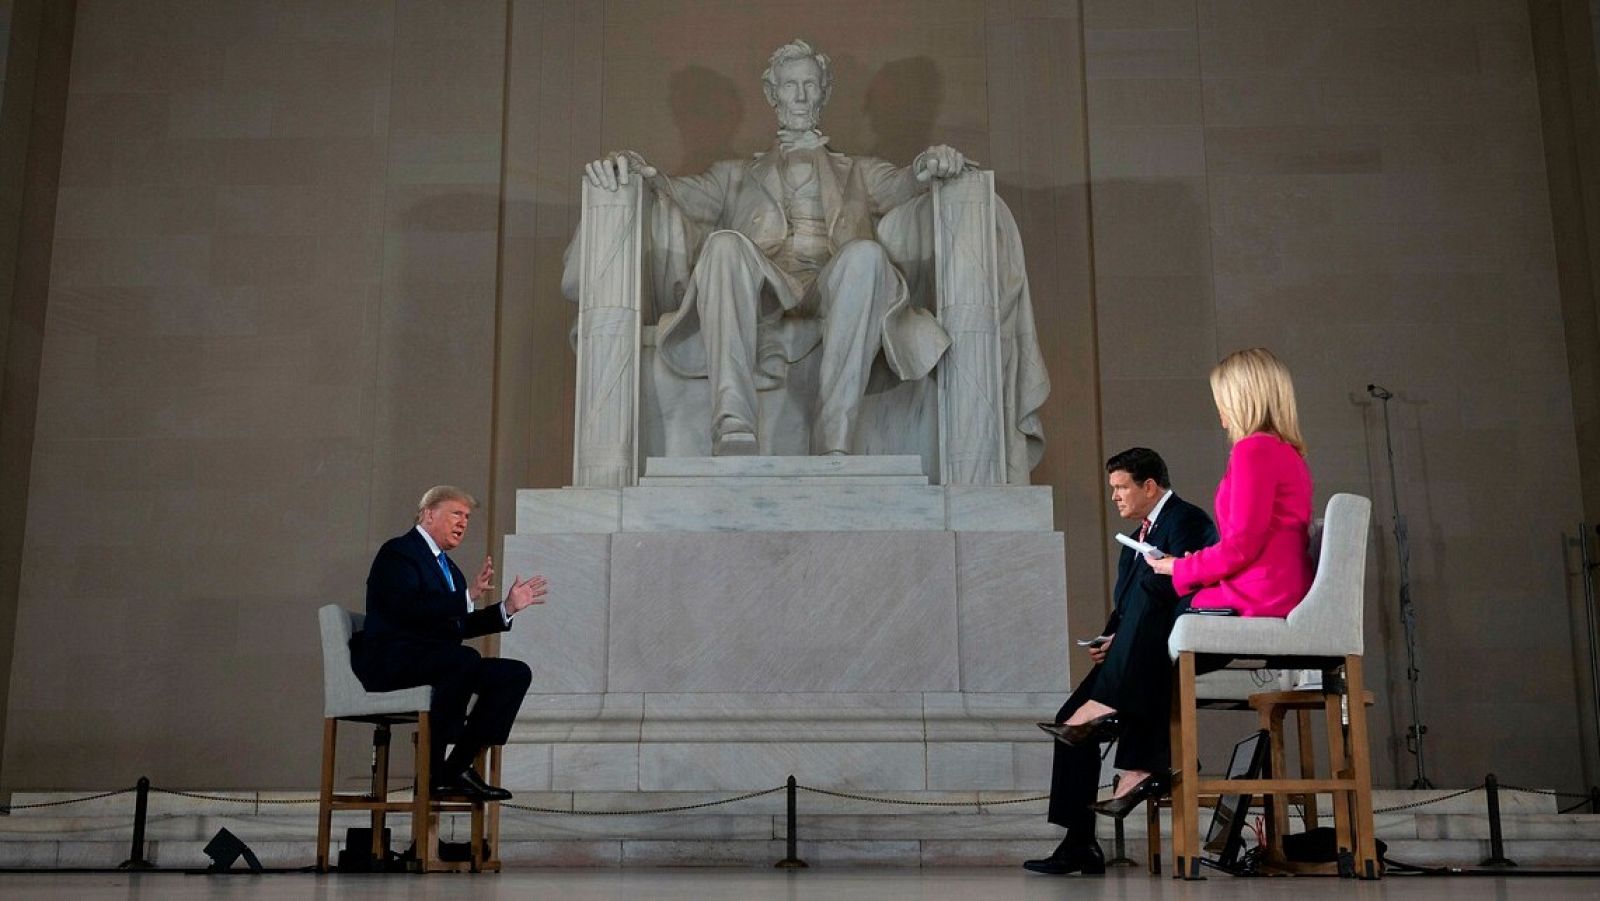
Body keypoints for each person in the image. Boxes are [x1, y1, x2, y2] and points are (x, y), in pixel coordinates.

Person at [581, 39, 972, 456]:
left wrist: (931, 163)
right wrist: (633, 167)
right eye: (790, 86)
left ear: (825, 91)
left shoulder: (859, 170)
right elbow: (674, 191)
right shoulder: (735, 175)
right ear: (772, 93)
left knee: (866, 254)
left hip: (833, 283)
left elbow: (904, 184)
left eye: (810, 84)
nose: (801, 96)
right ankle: (733, 422)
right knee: (725, 246)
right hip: (765, 286)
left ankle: (834, 435)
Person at [1023, 448, 1217, 876]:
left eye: (1121, 487)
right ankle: (1079, 843)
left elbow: (1177, 589)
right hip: (1129, 651)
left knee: (1083, 720)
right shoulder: (1135, 536)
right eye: (1112, 489)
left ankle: (1146, 755)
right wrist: (1109, 637)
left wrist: (1127, 638)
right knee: (1069, 721)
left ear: (1149, 486)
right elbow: (1127, 606)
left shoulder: (1188, 521)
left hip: (1166, 650)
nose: (1114, 496)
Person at [350, 486, 548, 802]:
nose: (463, 523)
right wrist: (465, 597)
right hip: (391, 660)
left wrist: (506, 609)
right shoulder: (398, 552)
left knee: (513, 674)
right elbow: (406, 611)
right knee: (461, 659)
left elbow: (456, 624)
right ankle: (433, 770)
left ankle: (454, 767)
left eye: (467, 517)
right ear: (429, 514)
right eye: (456, 513)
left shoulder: (449, 569)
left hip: (435, 662)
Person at [1147, 348, 1314, 619]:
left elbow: (1242, 544)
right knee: (1154, 597)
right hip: (1280, 585)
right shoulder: (1287, 453)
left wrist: (1181, 567)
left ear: (1242, 402)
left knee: (1154, 595)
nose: (1220, 415)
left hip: (1261, 591)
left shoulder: (1254, 450)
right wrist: (1194, 564)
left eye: (1222, 402)